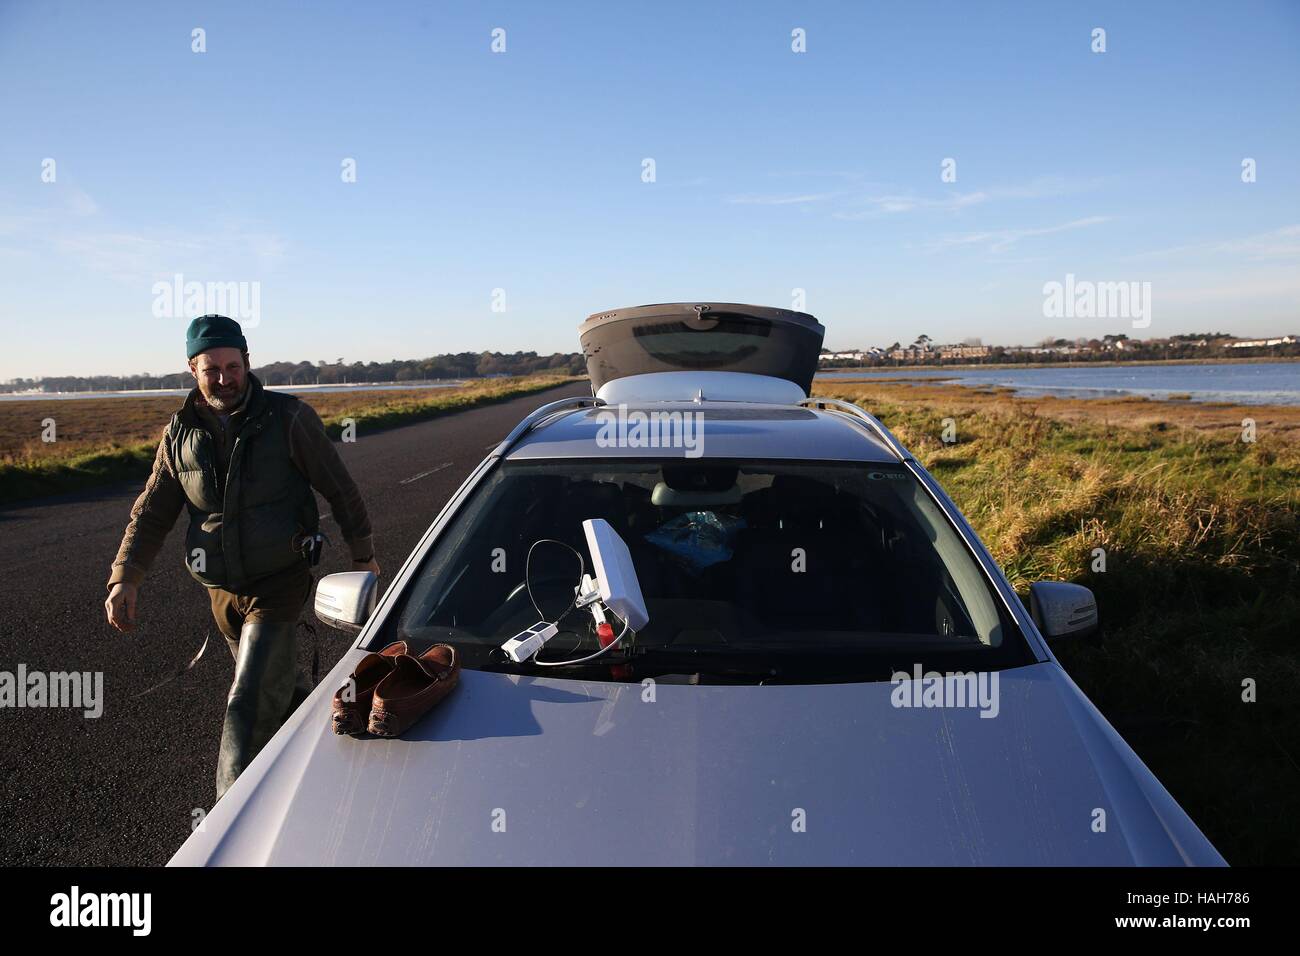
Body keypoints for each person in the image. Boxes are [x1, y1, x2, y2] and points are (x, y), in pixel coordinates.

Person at [104, 314, 380, 800]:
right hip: (221, 590)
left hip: (279, 582)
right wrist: (126, 576)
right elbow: (152, 512)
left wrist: (364, 557)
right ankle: (327, 775)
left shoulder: (288, 418)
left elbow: (341, 489)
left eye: (234, 366)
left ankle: (228, 827)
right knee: (281, 691)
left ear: (247, 363)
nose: (225, 378)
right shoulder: (179, 434)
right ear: (192, 369)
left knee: (247, 705)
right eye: (213, 369)